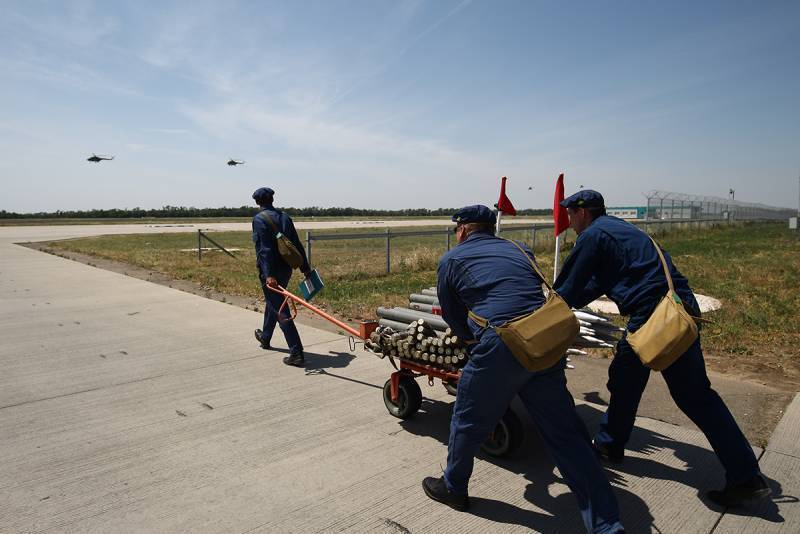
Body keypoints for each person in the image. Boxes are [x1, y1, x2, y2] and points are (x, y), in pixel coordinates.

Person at [553, 189, 770, 507]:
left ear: (582, 212)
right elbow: (596, 283)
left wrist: (541, 311)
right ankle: (611, 443)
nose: (569, 221)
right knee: (626, 377)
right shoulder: (618, 230)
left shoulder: (593, 235)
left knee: (694, 396)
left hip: (656, 317)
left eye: (570, 214)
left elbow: (568, 288)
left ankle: (746, 477)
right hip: (678, 307)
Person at [422, 205, 624, 534]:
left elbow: (452, 314)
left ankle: (454, 487)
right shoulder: (520, 248)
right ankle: (606, 525)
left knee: (468, 419)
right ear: (491, 228)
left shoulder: (452, 260)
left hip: (501, 345)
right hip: (543, 341)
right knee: (566, 436)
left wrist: (471, 340)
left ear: (462, 231)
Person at [251, 187, 312, 367]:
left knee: (280, 309)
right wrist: (305, 268)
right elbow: (296, 244)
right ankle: (265, 337)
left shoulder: (259, 219)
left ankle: (296, 352)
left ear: (257, 202)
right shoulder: (285, 217)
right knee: (274, 302)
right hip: (286, 269)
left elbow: (265, 250)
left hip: (271, 273)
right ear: (272, 199)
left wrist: (268, 274)